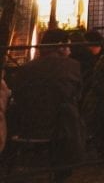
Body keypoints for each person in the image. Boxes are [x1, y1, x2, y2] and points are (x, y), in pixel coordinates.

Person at [7, 28, 84, 182]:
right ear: (61, 46)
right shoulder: (72, 66)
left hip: (25, 125)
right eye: (68, 46)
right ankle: (62, 170)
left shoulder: (26, 68)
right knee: (71, 114)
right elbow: (77, 94)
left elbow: (16, 93)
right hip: (59, 129)